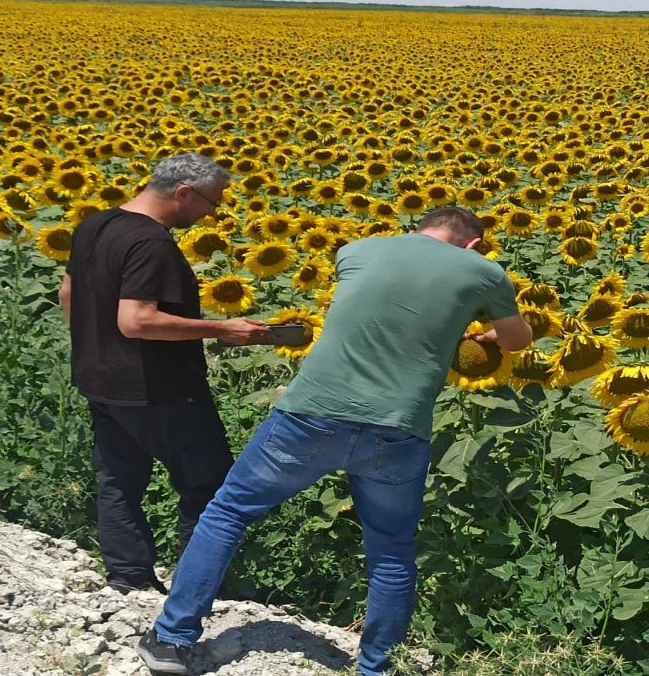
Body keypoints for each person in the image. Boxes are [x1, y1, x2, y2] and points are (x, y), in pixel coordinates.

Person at [135, 206, 532, 676]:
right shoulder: (485, 271)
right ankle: (375, 667)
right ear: (473, 243)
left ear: (421, 226)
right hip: (397, 429)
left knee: (228, 513)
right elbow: (518, 340)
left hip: (310, 418)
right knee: (391, 549)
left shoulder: (355, 250)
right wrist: (483, 331)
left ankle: (173, 639)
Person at [58, 152, 269, 594]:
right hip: (157, 385)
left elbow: (69, 292)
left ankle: (129, 578)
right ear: (184, 193)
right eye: (212, 202)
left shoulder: (95, 224)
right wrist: (220, 327)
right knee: (208, 484)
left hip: (101, 378)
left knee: (119, 478)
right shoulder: (151, 242)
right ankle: (198, 590)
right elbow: (136, 320)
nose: (214, 213)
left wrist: (97, 346)